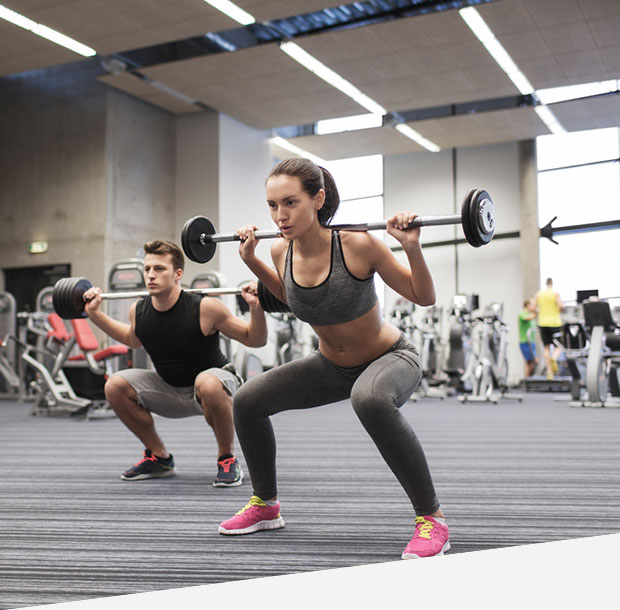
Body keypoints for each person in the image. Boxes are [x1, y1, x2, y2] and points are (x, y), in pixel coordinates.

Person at [219, 158, 449, 560]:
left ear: (318, 199)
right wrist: (252, 260)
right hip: (331, 365)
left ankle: (433, 519)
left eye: (290, 203)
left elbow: (422, 296)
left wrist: (411, 246)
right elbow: (296, 300)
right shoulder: (279, 250)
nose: (280, 215)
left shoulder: (358, 244)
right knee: (248, 399)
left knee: (370, 399)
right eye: (272, 205)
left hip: (390, 357)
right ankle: (266, 504)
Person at [83, 240, 268, 486]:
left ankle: (227, 458)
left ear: (178, 274)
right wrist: (95, 314)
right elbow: (132, 339)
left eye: (159, 269)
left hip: (214, 386)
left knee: (208, 382)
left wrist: (256, 308)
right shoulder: (139, 310)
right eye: (147, 269)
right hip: (170, 388)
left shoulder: (205, 307)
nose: (151, 275)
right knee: (115, 385)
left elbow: (254, 340)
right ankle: (159, 457)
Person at [534, 277, 564, 380]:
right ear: (552, 283)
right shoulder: (555, 294)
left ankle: (549, 372)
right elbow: (561, 306)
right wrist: (557, 311)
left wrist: (540, 311)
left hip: (542, 322)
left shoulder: (539, 294)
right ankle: (554, 358)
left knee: (546, 347)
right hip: (555, 322)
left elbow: (534, 307)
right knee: (559, 346)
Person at [518, 298, 538, 378]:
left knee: (533, 362)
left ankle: (529, 379)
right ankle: (527, 380)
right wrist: (537, 312)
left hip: (531, 341)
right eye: (533, 305)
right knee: (529, 362)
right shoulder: (522, 313)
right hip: (525, 341)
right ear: (528, 305)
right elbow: (528, 318)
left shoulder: (531, 315)